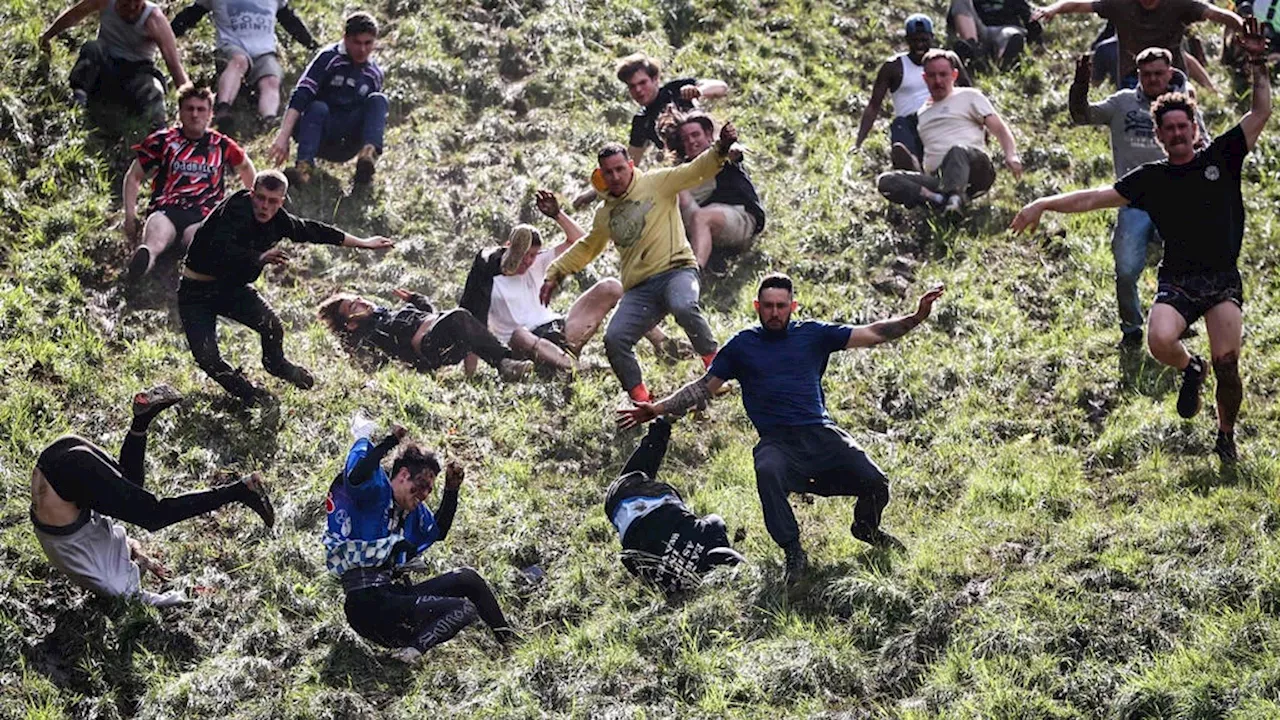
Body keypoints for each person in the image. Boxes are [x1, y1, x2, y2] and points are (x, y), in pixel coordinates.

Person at [1010, 18, 1272, 464]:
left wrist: (1258, 61)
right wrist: (1044, 202)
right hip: (1180, 278)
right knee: (1159, 341)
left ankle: (1225, 434)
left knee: (1229, 368)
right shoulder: (1153, 179)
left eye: (1181, 126)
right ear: (1159, 134)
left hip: (1222, 279)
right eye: (1167, 129)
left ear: (1193, 126)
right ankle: (1191, 368)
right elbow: (1094, 197)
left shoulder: (1222, 156)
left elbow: (1260, 112)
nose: (1175, 133)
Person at [619, 274, 945, 581]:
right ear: (757, 307)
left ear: (793, 306)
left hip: (820, 433)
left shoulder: (814, 335)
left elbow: (873, 332)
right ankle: (793, 552)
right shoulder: (742, 345)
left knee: (876, 482)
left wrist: (917, 316)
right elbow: (704, 387)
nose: (775, 313)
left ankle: (866, 529)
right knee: (767, 467)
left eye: (781, 306)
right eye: (769, 306)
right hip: (778, 442)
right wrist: (657, 409)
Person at [539, 123, 745, 404]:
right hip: (640, 289)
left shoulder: (657, 182)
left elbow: (696, 170)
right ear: (601, 174)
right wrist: (555, 272)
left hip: (677, 271)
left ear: (631, 165)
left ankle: (717, 372)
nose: (615, 176)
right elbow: (588, 247)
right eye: (608, 172)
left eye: (619, 169)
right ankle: (642, 402)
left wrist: (719, 148)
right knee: (615, 339)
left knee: (683, 305)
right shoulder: (605, 213)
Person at [31, 385, 275, 606]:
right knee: (132, 485)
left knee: (154, 516)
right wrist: (143, 559)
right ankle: (141, 421)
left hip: (67, 476)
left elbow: (152, 599)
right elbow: (126, 543)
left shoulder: (114, 586)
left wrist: (185, 596)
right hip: (55, 457)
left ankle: (241, 490)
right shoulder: (93, 561)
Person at [179, 170, 394, 403]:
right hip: (196, 292)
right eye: (260, 198)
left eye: (272, 201)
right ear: (252, 194)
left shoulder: (279, 220)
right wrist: (259, 257)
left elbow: (312, 230)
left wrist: (362, 243)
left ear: (282, 201)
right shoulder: (235, 208)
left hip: (230, 289)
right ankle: (252, 396)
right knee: (207, 357)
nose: (264, 206)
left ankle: (276, 364)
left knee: (272, 326)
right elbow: (220, 248)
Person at [324, 423, 515, 663]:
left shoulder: (411, 513)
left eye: (429, 490)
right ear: (403, 475)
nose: (424, 494)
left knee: (468, 579)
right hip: (366, 604)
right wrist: (389, 441)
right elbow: (356, 474)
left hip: (393, 597)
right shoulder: (374, 492)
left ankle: (510, 642)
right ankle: (410, 654)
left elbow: (437, 531)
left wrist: (451, 491)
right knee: (463, 609)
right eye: (421, 486)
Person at [1068, 47, 1206, 350]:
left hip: (1178, 200)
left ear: (1170, 73)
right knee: (1127, 269)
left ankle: (1177, 322)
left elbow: (1204, 145)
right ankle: (1131, 329)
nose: (1153, 79)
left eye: (1159, 73)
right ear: (1138, 74)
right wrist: (1079, 87)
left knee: (1186, 264)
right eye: (1147, 74)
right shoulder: (1123, 103)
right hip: (1135, 202)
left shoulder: (1183, 105)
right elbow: (1083, 116)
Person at [457, 190, 670, 372]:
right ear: (508, 246)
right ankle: (578, 369)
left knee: (611, 286)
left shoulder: (538, 264)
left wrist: (558, 214)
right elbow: (473, 325)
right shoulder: (488, 280)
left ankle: (662, 343)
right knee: (519, 335)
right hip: (524, 347)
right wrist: (471, 375)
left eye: (532, 255)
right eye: (523, 255)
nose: (528, 261)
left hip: (559, 331)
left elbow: (580, 242)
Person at [122, 84, 255, 284]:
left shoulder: (222, 145)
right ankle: (140, 266)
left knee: (201, 241)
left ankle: (208, 273)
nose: (195, 115)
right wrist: (129, 216)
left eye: (201, 109)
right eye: (189, 109)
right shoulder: (163, 141)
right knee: (155, 240)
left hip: (203, 213)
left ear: (210, 114)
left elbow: (246, 168)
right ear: (180, 112)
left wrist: (251, 209)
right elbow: (133, 176)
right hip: (166, 209)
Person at [605, 417, 745, 594]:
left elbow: (715, 520)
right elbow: (631, 564)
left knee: (636, 479)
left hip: (647, 498)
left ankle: (661, 427)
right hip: (621, 520)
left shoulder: (711, 535)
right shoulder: (676, 586)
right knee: (630, 484)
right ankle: (660, 427)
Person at [876, 49, 1022, 213]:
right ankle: (938, 199)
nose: (937, 80)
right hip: (940, 179)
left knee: (957, 150)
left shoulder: (970, 96)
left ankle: (953, 201)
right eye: (931, 75)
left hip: (975, 169)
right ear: (924, 78)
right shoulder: (923, 113)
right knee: (887, 180)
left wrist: (1011, 154)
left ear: (954, 75)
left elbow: (999, 128)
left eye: (943, 74)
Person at [267, 12, 387, 185]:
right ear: (345, 39)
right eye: (357, 43)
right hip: (317, 130)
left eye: (368, 43)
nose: (362, 50)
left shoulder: (374, 74)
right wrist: (283, 136)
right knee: (318, 107)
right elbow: (301, 94)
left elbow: (372, 117)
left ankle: (367, 159)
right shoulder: (328, 58)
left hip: (346, 140)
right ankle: (304, 168)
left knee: (378, 100)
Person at [317, 288, 535, 381]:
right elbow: (372, 364)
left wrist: (415, 300)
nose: (361, 302)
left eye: (357, 298)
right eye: (353, 307)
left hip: (441, 332)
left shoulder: (388, 314)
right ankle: (506, 362)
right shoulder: (371, 334)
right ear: (351, 325)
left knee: (472, 311)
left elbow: (427, 315)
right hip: (432, 347)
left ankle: (510, 358)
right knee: (460, 316)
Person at [169, 0, 319, 131]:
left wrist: (312, 46)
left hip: (264, 52)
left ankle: (269, 119)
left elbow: (290, 21)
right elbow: (191, 14)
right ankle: (223, 108)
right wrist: (167, 33)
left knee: (271, 79)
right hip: (231, 47)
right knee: (240, 61)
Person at [39, 0, 189, 127]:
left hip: (137, 73)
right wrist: (47, 36)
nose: (131, 9)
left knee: (154, 88)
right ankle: (79, 98)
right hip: (105, 66)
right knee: (92, 48)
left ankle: (158, 131)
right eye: (125, 4)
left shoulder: (154, 19)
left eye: (136, 5)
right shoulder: (105, 2)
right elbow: (74, 15)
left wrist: (189, 105)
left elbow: (174, 66)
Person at [1033, 0, 1242, 90]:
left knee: (1181, 122)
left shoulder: (1180, 4)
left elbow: (1218, 14)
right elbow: (1081, 5)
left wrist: (1244, 29)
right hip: (1133, 76)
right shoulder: (1120, 4)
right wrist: (1054, 8)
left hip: (1172, 76)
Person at [855, 13, 973, 168]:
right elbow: (874, 106)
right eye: (914, 40)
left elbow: (969, 94)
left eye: (924, 40)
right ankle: (910, 163)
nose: (919, 45)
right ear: (907, 40)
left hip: (941, 117)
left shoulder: (946, 60)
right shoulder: (893, 67)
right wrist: (858, 142)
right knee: (900, 125)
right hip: (910, 123)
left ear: (932, 38)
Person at [656, 109, 766, 268]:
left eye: (695, 135)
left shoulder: (721, 156)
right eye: (685, 139)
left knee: (702, 217)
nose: (691, 141)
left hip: (740, 220)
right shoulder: (683, 171)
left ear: (708, 134)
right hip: (700, 221)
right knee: (674, 191)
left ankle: (695, 270)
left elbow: (732, 152)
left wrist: (729, 148)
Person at [617, 52, 729, 164]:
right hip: (688, 169)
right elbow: (632, 162)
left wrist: (698, 91)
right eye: (632, 86)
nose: (638, 90)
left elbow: (721, 87)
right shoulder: (641, 121)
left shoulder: (674, 90)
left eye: (642, 83)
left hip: (716, 154)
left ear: (655, 79)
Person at [947, 0, 1043, 71]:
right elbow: (954, 16)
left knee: (1012, 36)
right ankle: (973, 50)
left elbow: (1029, 18)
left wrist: (1034, 36)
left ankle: (1002, 60)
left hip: (1005, 30)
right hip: (980, 30)